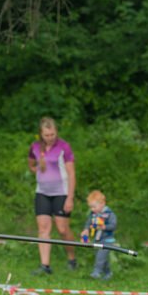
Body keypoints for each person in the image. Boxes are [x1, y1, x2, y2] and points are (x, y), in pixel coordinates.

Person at [28, 117, 77, 274]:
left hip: (61, 193)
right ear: (41, 134)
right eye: (47, 135)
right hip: (42, 192)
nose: (50, 137)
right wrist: (36, 168)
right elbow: (31, 163)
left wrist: (70, 197)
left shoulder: (64, 147)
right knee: (43, 229)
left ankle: (71, 257)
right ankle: (45, 265)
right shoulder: (35, 147)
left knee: (62, 229)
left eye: (53, 134)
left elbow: (71, 173)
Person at [80, 190, 117, 280]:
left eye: (94, 207)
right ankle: (108, 273)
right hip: (98, 239)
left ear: (102, 203)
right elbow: (89, 222)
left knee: (100, 256)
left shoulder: (109, 214)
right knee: (101, 257)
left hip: (107, 240)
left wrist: (104, 227)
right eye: (91, 207)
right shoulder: (94, 214)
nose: (92, 209)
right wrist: (86, 230)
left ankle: (96, 273)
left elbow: (113, 225)